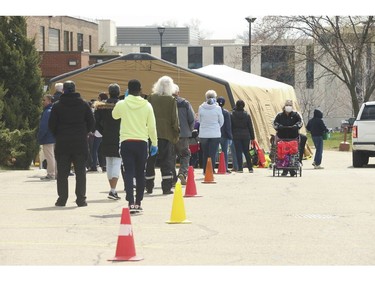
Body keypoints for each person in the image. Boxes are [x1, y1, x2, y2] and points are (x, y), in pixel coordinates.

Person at [112, 79, 158, 213]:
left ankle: (130, 202)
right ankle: (138, 202)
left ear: (127, 90)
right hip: (142, 142)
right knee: (140, 172)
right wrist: (154, 143)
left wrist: (124, 101)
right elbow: (152, 127)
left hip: (126, 142)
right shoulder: (147, 105)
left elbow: (114, 116)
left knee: (128, 171)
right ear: (141, 89)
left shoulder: (122, 103)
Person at [49, 80, 95, 207]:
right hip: (80, 142)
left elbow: (51, 125)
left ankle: (62, 199)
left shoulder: (57, 105)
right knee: (81, 173)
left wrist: (58, 134)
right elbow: (91, 122)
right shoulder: (83, 104)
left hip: (63, 142)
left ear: (63, 90)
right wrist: (84, 132)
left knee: (62, 173)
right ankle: (81, 199)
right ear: (74, 89)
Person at [145, 76, 180, 195]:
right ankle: (166, 187)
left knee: (150, 160)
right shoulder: (171, 100)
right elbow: (174, 119)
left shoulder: (151, 97)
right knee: (167, 161)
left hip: (150, 133)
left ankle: (148, 186)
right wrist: (176, 132)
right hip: (166, 134)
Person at [94, 84, 122, 200]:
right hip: (119, 136)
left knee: (109, 163)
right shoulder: (122, 105)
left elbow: (96, 123)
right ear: (119, 92)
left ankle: (112, 189)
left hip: (106, 137)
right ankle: (113, 190)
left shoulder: (101, 107)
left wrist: (104, 131)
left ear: (109, 92)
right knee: (116, 162)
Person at [172, 84, 195, 185]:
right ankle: (182, 173)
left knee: (171, 156)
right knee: (185, 154)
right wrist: (189, 130)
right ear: (178, 92)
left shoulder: (166, 102)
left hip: (170, 134)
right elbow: (192, 118)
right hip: (183, 134)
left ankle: (172, 178)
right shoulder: (185, 103)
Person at [273, 99, 303, 176]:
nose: (288, 107)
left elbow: (300, 122)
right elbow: (274, 123)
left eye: (290, 106)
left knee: (293, 154)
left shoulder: (296, 115)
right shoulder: (279, 115)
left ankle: (292, 169)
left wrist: (296, 126)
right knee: (282, 154)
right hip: (282, 138)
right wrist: (279, 126)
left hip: (293, 138)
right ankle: (284, 169)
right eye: (287, 105)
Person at [198, 90, 224, 174]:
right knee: (213, 153)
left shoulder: (201, 107)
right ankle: (211, 170)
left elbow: (199, 120)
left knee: (205, 153)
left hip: (204, 133)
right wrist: (216, 127)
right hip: (215, 133)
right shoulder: (217, 108)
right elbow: (221, 121)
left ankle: (205, 170)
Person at [231, 99, 255, 173]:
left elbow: (231, 126)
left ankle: (240, 168)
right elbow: (250, 126)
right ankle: (250, 168)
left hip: (236, 135)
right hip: (246, 135)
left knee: (238, 152)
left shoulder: (232, 114)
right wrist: (252, 137)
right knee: (246, 151)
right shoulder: (247, 115)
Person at [37, 94, 56, 180]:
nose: (43, 102)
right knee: (53, 156)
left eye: (44, 100)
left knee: (49, 157)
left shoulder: (47, 112)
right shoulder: (53, 110)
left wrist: (40, 137)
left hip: (48, 137)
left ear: (49, 101)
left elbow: (44, 126)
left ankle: (51, 174)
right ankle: (55, 173)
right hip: (54, 137)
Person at [88, 93, 107, 172]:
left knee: (94, 149)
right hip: (106, 130)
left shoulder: (98, 107)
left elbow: (95, 120)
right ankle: (104, 165)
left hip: (98, 131)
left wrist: (93, 130)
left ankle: (94, 166)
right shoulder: (108, 106)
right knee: (102, 149)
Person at [217, 96, 233, 173]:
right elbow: (228, 125)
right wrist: (230, 136)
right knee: (224, 152)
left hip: (215, 134)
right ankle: (225, 167)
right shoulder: (226, 112)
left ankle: (212, 167)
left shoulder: (215, 111)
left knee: (215, 152)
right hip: (224, 135)